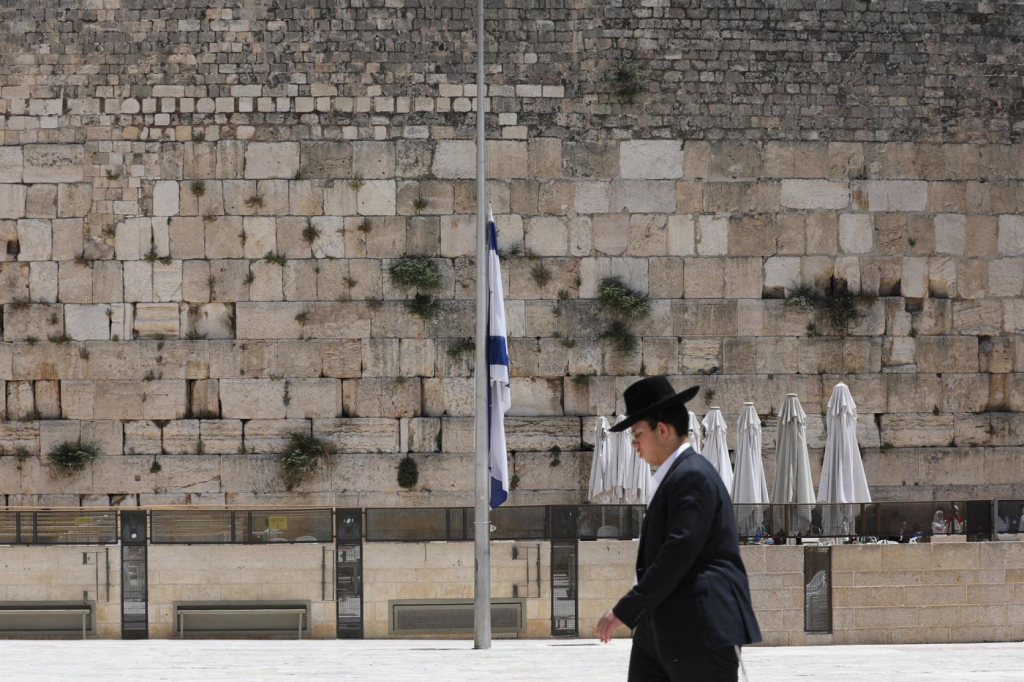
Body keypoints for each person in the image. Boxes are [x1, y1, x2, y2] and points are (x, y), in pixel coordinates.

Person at [595, 376, 761, 682]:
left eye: (637, 433)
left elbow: (678, 551)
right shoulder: (675, 477)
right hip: (660, 627)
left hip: (699, 629)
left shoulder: (693, 476)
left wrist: (626, 608)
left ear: (662, 429)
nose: (633, 444)